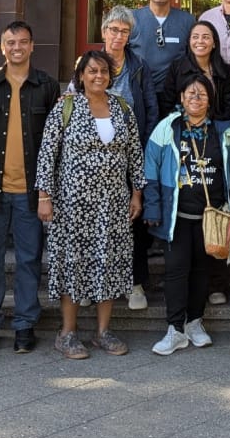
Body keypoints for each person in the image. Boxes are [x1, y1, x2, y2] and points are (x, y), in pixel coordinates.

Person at [36, 50, 147, 359]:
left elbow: (135, 154)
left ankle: (103, 332)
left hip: (113, 203)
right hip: (72, 203)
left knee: (109, 263)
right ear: (81, 75)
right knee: (73, 263)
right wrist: (44, 197)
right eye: (92, 71)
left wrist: (137, 193)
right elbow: (47, 153)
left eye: (104, 72)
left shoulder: (123, 108)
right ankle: (67, 333)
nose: (99, 76)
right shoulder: (66, 108)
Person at [0, 21, 61, 354]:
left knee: (28, 260)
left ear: (32, 45)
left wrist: (47, 191)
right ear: (2, 46)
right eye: (11, 42)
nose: (17, 48)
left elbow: (55, 143)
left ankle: (25, 325)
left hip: (31, 191)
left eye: (23, 42)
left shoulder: (47, 86)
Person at [143, 74, 230, 355]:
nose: (195, 98)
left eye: (201, 94)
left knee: (202, 271)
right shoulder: (167, 127)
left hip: (210, 217)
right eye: (190, 94)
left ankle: (195, 323)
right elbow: (150, 168)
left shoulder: (223, 131)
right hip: (176, 216)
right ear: (181, 98)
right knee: (176, 271)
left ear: (209, 100)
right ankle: (174, 329)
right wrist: (152, 205)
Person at [98, 5, 159, 310]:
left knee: (132, 220)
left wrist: (145, 151)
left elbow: (150, 108)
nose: (118, 36)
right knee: (98, 220)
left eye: (124, 31)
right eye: (113, 30)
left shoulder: (139, 66)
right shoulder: (90, 64)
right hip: (95, 160)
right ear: (103, 31)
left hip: (130, 154)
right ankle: (98, 281)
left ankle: (135, 283)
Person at [130, 0, 196, 94]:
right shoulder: (131, 19)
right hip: (138, 93)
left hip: (174, 94)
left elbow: (194, 60)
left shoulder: (188, 21)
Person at [160, 20, 230, 122]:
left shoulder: (224, 70)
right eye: (195, 37)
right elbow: (167, 103)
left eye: (205, 37)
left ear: (214, 43)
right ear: (189, 42)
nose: (200, 41)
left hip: (216, 126)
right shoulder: (177, 68)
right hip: (183, 127)